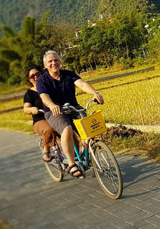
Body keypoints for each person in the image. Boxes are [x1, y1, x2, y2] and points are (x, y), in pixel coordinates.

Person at [36, 50, 104, 178]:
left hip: (73, 108)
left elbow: (82, 84)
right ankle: (72, 163)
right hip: (54, 112)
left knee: (88, 126)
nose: (53, 63)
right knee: (66, 129)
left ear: (60, 62)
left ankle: (84, 151)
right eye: (50, 61)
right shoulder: (42, 80)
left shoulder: (68, 74)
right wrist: (51, 105)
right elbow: (44, 96)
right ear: (45, 65)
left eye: (56, 60)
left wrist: (95, 92)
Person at [23, 65, 56, 163]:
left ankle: (75, 157)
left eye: (37, 74)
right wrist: (32, 109)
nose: (36, 77)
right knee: (49, 130)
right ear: (29, 80)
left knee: (68, 131)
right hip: (40, 119)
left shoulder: (49, 87)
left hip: (54, 116)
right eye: (32, 76)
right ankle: (46, 150)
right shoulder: (29, 94)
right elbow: (26, 109)